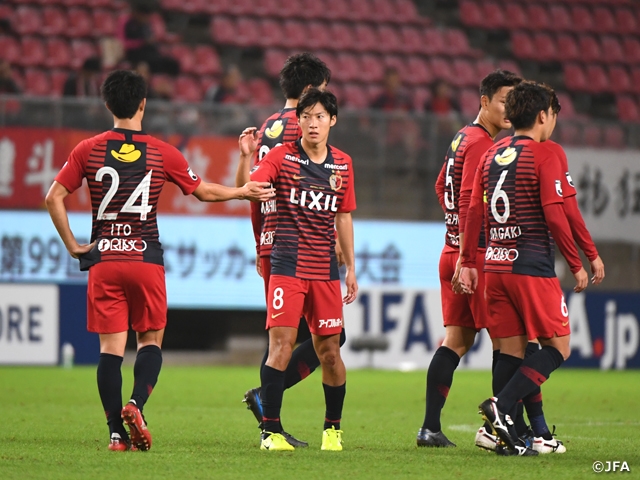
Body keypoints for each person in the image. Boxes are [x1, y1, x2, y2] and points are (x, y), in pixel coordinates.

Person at [45, 70, 274, 452]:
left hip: (103, 259)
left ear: (107, 105)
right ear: (143, 104)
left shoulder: (87, 149)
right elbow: (202, 191)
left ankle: (116, 435)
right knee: (150, 340)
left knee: (109, 351)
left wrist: (73, 245)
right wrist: (240, 191)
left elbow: (54, 197)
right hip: (145, 258)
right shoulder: (161, 151)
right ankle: (136, 405)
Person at [458, 81, 589, 456]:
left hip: (494, 264)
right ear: (544, 115)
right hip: (531, 266)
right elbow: (556, 214)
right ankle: (501, 409)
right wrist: (577, 261)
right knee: (557, 347)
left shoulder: (492, 152)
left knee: (511, 351)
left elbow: (472, 209)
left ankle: (499, 433)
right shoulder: (544, 153)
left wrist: (469, 260)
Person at [235, 53, 336, 448]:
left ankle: (268, 408)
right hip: (298, 243)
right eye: (323, 92)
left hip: (270, 238)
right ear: (312, 91)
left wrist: (260, 240)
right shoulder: (307, 129)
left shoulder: (267, 126)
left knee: (290, 337)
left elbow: (252, 189)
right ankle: (268, 416)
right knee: (308, 338)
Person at [417, 70, 522, 449]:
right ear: (484, 102)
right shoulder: (481, 144)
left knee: (456, 341)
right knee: (507, 343)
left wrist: (453, 234)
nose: (509, 110)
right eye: (502, 102)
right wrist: (468, 255)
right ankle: (507, 428)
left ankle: (429, 428)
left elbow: (439, 184)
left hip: (452, 250)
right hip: (472, 257)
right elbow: (467, 199)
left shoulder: (462, 136)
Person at [248, 88, 357, 451]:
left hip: (325, 269)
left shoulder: (343, 163)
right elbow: (257, 179)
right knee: (280, 346)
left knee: (330, 351)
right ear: (298, 121)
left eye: (320, 117)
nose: (313, 123)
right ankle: (271, 432)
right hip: (287, 265)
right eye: (307, 116)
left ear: (332, 121)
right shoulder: (282, 156)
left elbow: (343, 215)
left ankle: (333, 430)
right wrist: (254, 184)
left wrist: (351, 267)